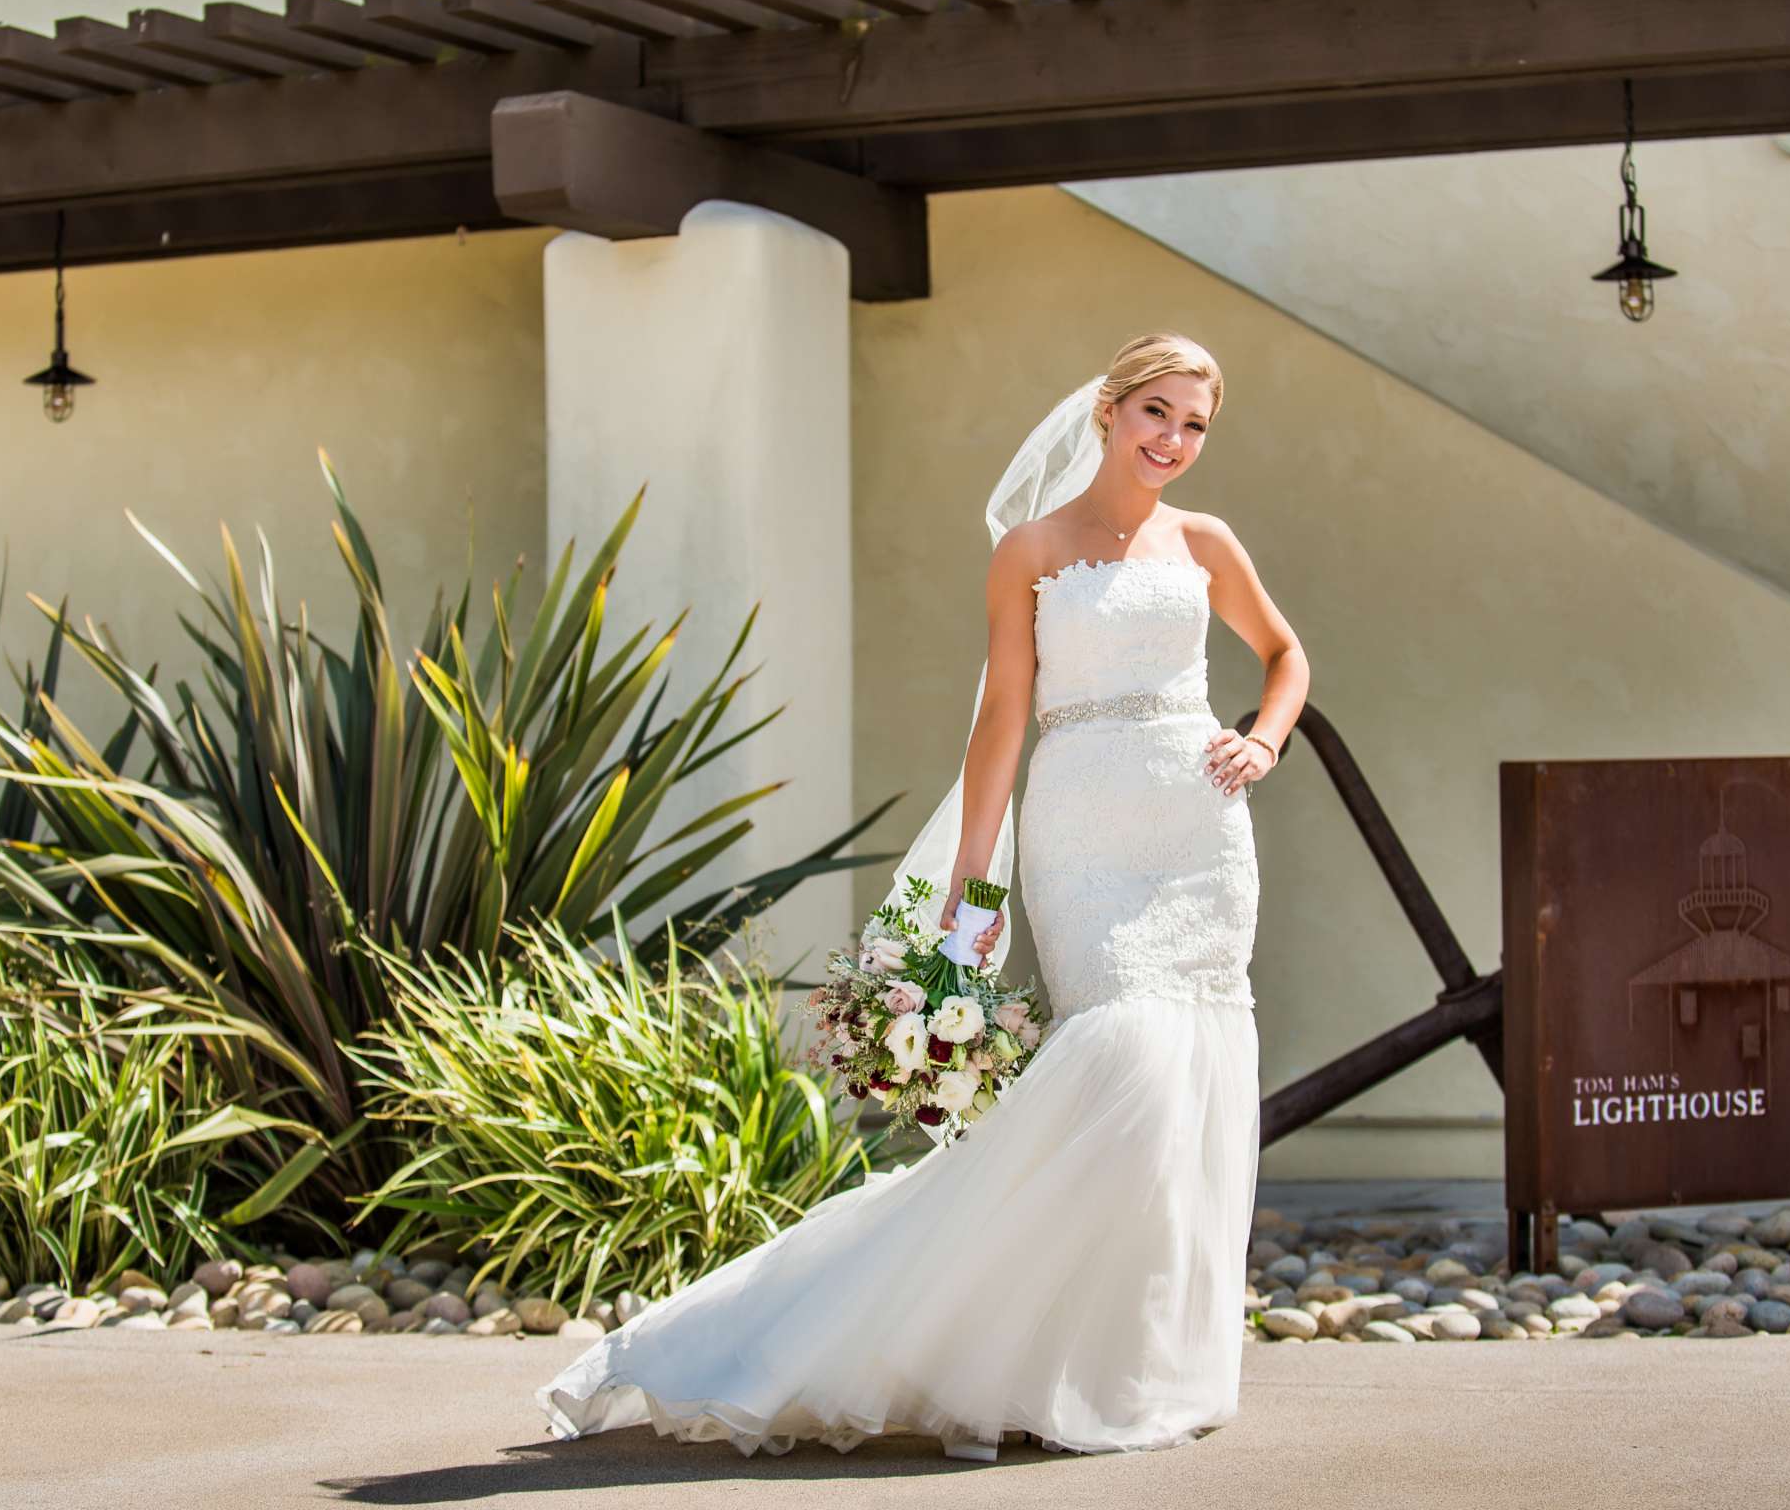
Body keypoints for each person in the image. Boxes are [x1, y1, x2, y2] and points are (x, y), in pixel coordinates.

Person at [534, 331, 1313, 1461]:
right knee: (1129, 1055)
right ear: (1109, 409)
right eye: (1157, 412)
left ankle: (1140, 1365)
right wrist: (971, 887)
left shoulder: (1208, 542)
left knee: (1199, 1076)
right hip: (1086, 828)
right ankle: (915, 1321)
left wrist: (1265, 738)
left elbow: (1286, 653)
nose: (1174, 441)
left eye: (1195, 424)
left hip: (1201, 832)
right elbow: (1004, 717)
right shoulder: (1031, 551)